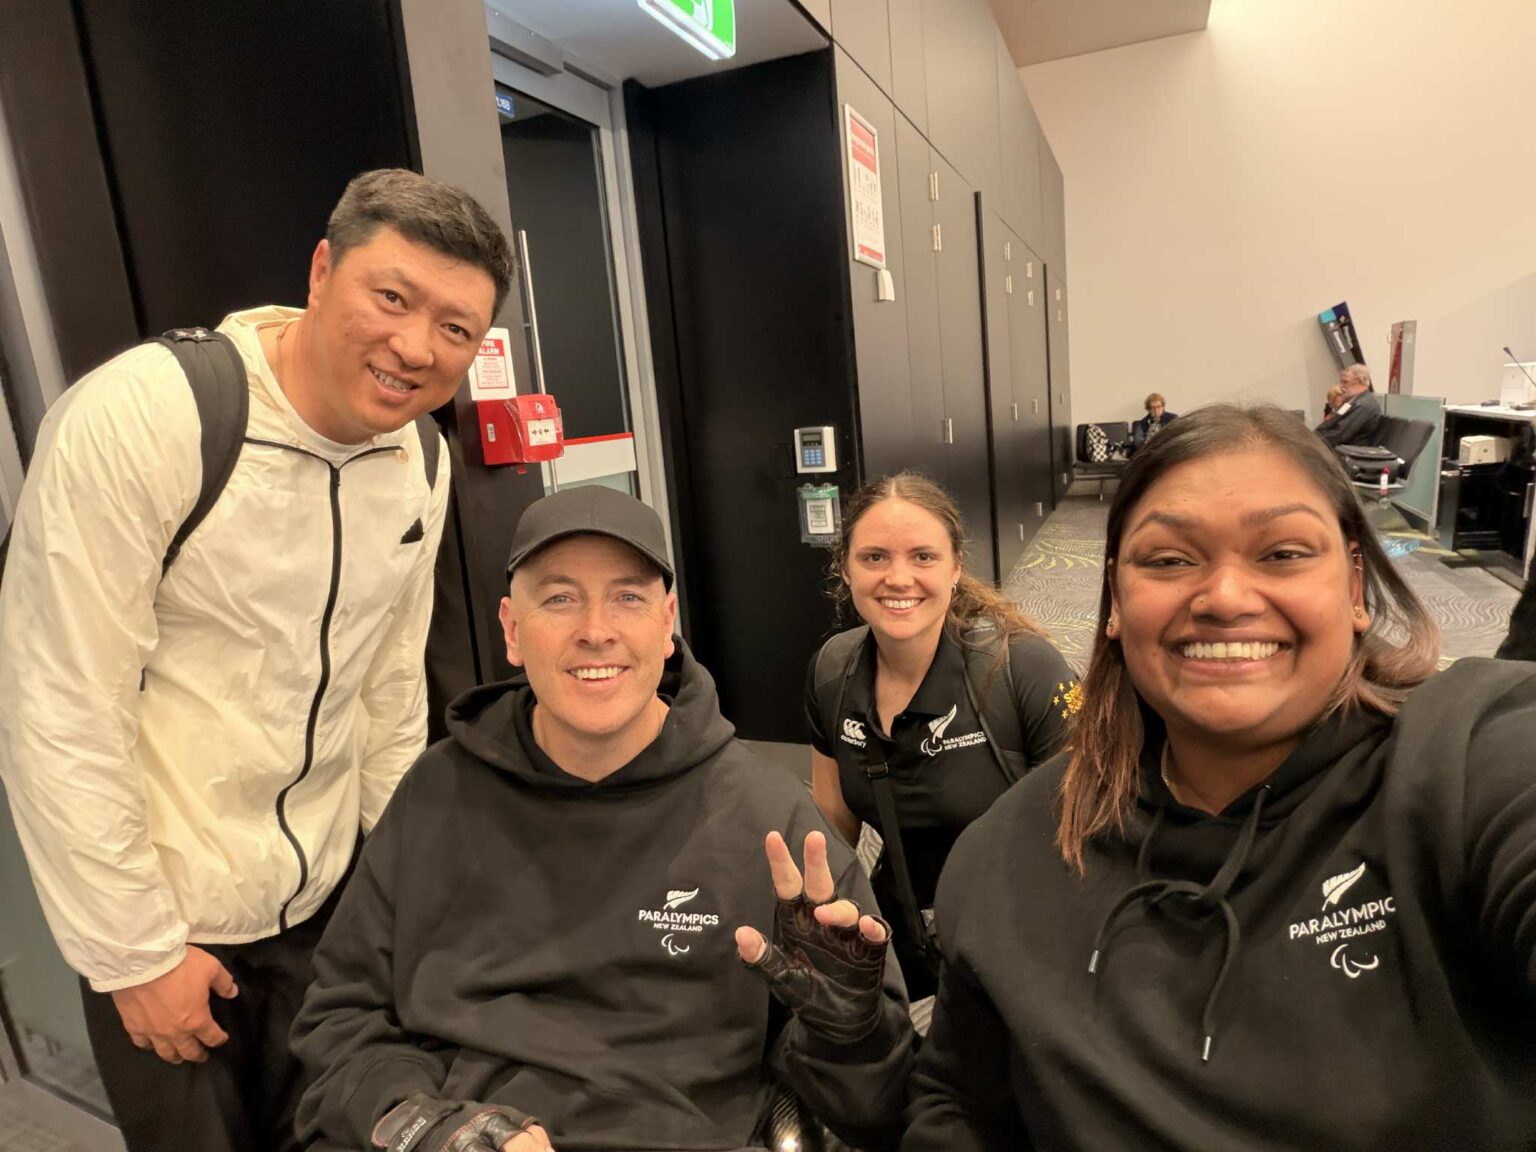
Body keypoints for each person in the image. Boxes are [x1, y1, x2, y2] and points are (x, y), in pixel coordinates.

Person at [0, 169, 513, 1152]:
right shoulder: (146, 417)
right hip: (173, 923)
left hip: (330, 910)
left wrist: (390, 883)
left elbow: (388, 686)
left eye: (457, 328)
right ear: (323, 271)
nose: (416, 348)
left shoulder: (421, 459)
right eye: (392, 297)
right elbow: (58, 706)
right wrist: (134, 953)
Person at [903, 404, 1536, 1151]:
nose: (1227, 598)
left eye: (1283, 553)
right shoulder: (1005, 855)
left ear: (1356, 586)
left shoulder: (1469, 759)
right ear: (1113, 602)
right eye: (1170, 561)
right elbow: (961, 1109)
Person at [290, 486, 915, 1152]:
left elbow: (877, 1108)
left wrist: (851, 1034)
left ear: (667, 622)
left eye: (628, 597)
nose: (595, 629)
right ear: (510, 629)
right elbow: (339, 1022)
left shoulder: (769, 822)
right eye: (559, 598)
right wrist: (427, 1124)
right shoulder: (437, 795)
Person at [806, 473, 1077, 1001]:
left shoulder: (1021, 668)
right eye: (875, 557)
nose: (898, 578)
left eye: (923, 557)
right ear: (846, 569)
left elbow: (1088, 835)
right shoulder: (832, 670)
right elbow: (833, 830)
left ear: (956, 567)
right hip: (900, 924)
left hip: (1020, 936)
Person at [1315, 362, 1382, 447]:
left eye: (1345, 382)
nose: (1341, 386)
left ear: (1360, 381)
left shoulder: (1363, 405)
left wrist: (1315, 440)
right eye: (1341, 382)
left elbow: (1340, 434)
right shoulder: (1353, 402)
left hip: (1349, 452)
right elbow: (1330, 423)